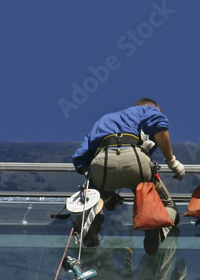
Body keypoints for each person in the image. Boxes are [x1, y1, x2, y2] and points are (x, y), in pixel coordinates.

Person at [71, 99, 185, 254]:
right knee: (168, 205)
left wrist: (96, 182)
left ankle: (93, 213)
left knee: (95, 195)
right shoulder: (146, 110)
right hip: (135, 159)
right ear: (149, 106)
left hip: (103, 161)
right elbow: (160, 127)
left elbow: (80, 156)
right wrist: (172, 162)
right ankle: (157, 227)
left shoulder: (103, 120)